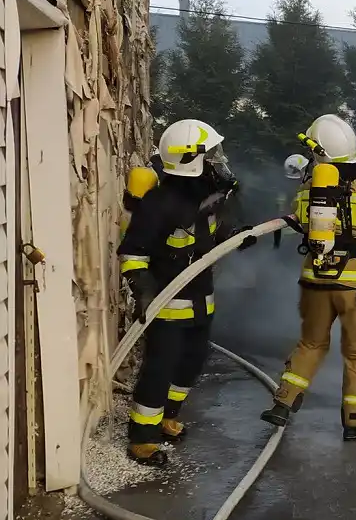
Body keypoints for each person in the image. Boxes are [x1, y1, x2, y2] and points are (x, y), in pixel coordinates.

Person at [118, 119, 257, 465]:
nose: (218, 161)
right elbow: (133, 252)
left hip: (199, 301)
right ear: (190, 159)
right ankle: (142, 438)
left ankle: (168, 417)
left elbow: (213, 235)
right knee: (160, 368)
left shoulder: (206, 199)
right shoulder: (158, 204)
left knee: (191, 363)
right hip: (167, 304)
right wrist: (143, 289)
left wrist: (240, 236)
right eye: (211, 155)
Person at [260, 114, 356, 441]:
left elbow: (303, 225)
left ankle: (283, 403)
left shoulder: (308, 190)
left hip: (315, 281)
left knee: (311, 343)